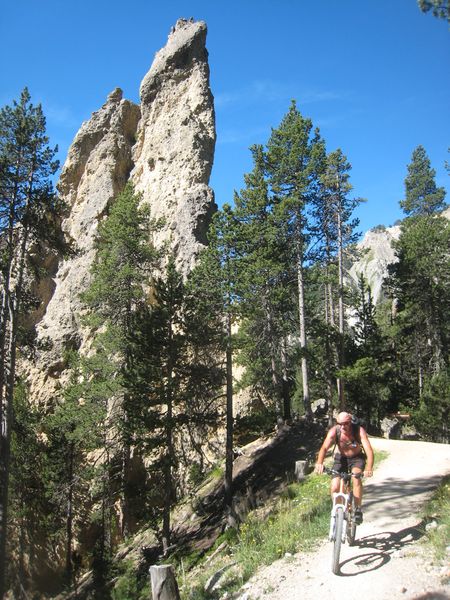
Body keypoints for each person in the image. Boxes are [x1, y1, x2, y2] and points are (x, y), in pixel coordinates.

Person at [314, 411, 374, 524]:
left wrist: (369, 468)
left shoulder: (359, 431)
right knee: (334, 486)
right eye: (339, 423)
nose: (342, 426)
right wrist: (319, 462)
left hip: (356, 458)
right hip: (341, 458)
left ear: (350, 422)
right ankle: (338, 510)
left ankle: (357, 509)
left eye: (345, 423)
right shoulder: (334, 431)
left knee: (356, 478)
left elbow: (369, 450)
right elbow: (324, 448)